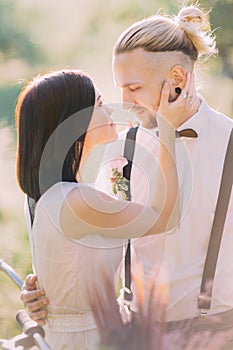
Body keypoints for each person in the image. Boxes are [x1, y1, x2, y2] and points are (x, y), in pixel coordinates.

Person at [20, 3, 233, 348]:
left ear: (177, 79)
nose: (124, 102)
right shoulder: (121, 149)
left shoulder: (229, 144)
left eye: (133, 89)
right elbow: (90, 241)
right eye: (118, 89)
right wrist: (48, 290)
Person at [15, 68, 191, 349]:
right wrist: (168, 129)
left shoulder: (42, 197)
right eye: (98, 104)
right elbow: (162, 218)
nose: (110, 110)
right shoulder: (76, 200)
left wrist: (40, 293)